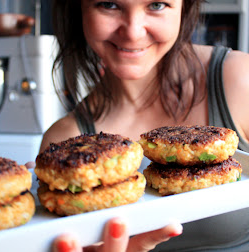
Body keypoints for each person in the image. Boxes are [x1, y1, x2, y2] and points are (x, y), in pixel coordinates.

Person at [38, 0, 249, 251]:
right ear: (78, 9)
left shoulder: (240, 79)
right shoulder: (63, 144)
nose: (133, 31)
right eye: (109, 4)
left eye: (157, 5)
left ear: (185, 7)